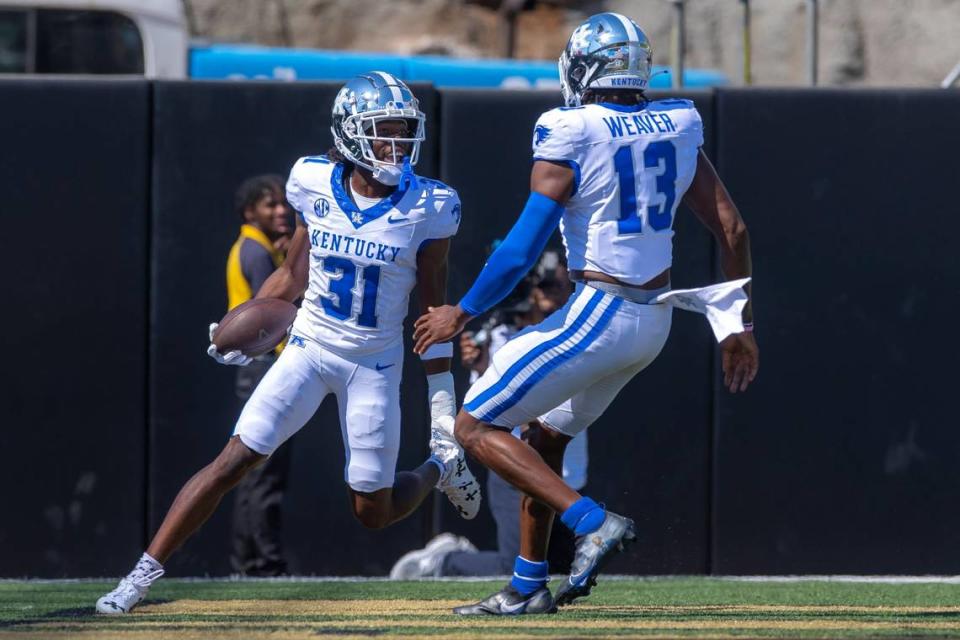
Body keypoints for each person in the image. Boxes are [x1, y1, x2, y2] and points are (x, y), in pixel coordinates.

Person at [96, 72, 481, 614]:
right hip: (307, 346)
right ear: (350, 134)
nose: (396, 146)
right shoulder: (313, 182)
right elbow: (292, 277)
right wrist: (238, 324)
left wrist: (443, 407)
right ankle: (140, 575)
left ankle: (442, 466)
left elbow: (433, 313)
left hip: (373, 360)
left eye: (403, 132)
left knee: (373, 511)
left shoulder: (432, 206)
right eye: (382, 133)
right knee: (233, 459)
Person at [413, 12, 759, 615]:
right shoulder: (677, 121)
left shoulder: (569, 129)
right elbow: (731, 226)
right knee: (544, 440)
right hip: (654, 320)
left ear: (583, 69)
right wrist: (737, 324)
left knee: (473, 427)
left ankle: (592, 521)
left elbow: (521, 249)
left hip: (600, 312)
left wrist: (462, 312)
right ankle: (526, 587)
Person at [390, 257, 587, 579]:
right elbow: (482, 407)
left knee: (561, 569)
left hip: (567, 468)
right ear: (531, 289)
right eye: (547, 285)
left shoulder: (578, 330)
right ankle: (443, 563)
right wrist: (480, 368)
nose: (555, 293)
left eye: (564, 285)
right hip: (518, 468)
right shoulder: (500, 336)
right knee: (515, 564)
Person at [225, 174, 295, 576]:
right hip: (263, 367)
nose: (281, 211)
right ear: (250, 211)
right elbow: (269, 313)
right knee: (262, 471)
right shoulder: (254, 252)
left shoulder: (261, 248)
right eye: (270, 205)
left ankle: (250, 562)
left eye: (283, 203)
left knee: (254, 470)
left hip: (258, 367)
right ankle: (263, 563)